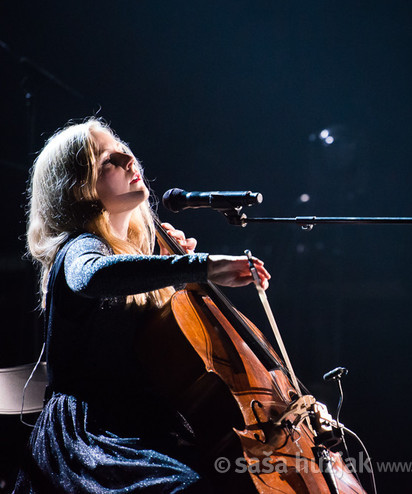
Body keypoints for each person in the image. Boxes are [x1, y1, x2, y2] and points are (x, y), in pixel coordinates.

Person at [14, 117, 270, 493]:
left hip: (135, 424)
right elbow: (94, 276)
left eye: (122, 148)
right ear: (78, 189)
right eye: (107, 162)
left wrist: (168, 269)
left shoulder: (135, 253)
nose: (128, 159)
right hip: (91, 440)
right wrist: (201, 267)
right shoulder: (78, 247)